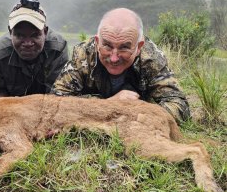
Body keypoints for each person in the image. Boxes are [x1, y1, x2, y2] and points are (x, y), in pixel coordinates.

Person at [51, 8, 190, 123]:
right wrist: (108, 105)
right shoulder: (83, 54)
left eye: (124, 48)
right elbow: (56, 102)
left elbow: (179, 105)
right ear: (97, 41)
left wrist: (139, 113)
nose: (114, 58)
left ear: (139, 46)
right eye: (107, 46)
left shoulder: (151, 59)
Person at [0, 0, 69, 99]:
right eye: (20, 35)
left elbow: (59, 92)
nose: (27, 43)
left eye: (35, 35)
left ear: (45, 32)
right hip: (12, 105)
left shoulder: (58, 48)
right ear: (10, 32)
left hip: (47, 104)